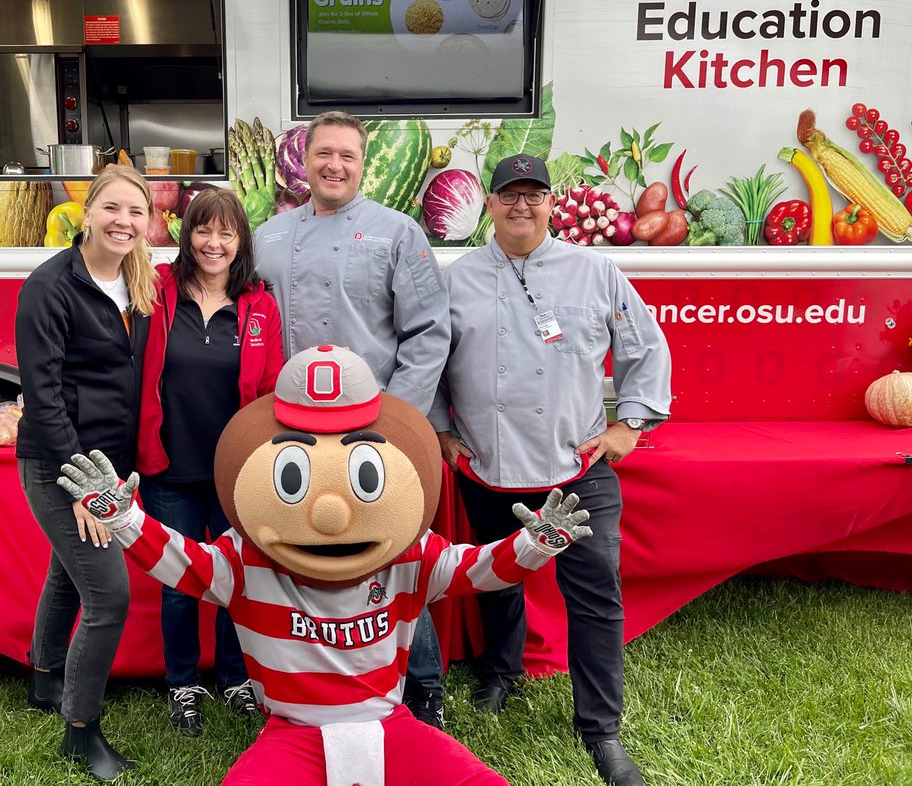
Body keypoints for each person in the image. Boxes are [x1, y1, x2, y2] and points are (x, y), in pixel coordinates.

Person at [57, 344, 596, 786]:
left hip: (393, 726)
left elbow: (478, 569)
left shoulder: (407, 555)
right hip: (293, 732)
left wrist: (534, 545)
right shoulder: (247, 561)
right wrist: (123, 518)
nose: (332, 514)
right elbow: (181, 562)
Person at [428, 153, 672, 786]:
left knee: (595, 597)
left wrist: (630, 424)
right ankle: (500, 675)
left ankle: (602, 731)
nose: (521, 205)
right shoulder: (457, 279)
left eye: (533, 194)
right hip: (488, 465)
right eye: (509, 194)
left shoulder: (595, 272)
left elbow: (645, 347)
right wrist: (441, 428)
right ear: (489, 203)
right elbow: (427, 359)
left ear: (550, 203)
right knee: (496, 582)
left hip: (576, 466)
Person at [253, 110, 452, 729]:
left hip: (374, 430)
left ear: (362, 165)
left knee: (394, 556)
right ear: (304, 161)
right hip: (293, 429)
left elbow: (428, 333)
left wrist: (396, 420)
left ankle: (422, 686)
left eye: (348, 156)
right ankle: (308, 682)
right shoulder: (270, 235)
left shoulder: (398, 233)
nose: (335, 165)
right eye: (324, 154)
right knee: (308, 555)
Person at [14, 165, 158, 782]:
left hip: (112, 465)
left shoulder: (140, 281)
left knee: (66, 576)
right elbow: (42, 397)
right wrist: (81, 484)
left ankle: (45, 680)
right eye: (113, 209)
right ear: (89, 211)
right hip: (59, 464)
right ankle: (81, 731)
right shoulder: (50, 287)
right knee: (108, 594)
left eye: (136, 212)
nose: (124, 222)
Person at [137, 187, 284, 736]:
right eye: (203, 230)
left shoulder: (259, 305)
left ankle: (235, 679)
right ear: (186, 234)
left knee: (235, 581)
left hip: (234, 473)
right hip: (168, 467)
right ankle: (182, 686)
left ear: (241, 239)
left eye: (226, 232)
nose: (214, 243)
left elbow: (270, 391)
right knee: (179, 583)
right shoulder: (156, 291)